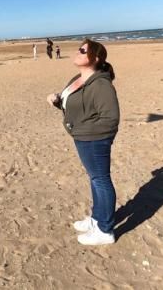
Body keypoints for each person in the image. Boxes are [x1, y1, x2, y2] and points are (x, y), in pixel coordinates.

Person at [46, 39, 119, 245]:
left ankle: (105, 230)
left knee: (101, 180)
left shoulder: (101, 84)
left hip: (94, 140)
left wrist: (85, 131)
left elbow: (111, 118)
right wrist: (57, 101)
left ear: (95, 58)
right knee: (94, 178)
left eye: (82, 50)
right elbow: (77, 105)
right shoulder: (78, 78)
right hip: (81, 136)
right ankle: (97, 218)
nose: (77, 52)